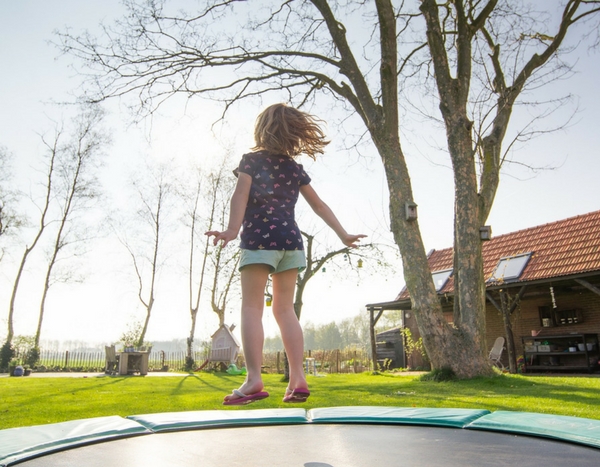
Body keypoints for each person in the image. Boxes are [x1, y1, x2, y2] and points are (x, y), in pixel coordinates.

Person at [206, 103, 366, 405]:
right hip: (291, 242)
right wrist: (343, 234)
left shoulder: (251, 161)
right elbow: (319, 205)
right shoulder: (295, 168)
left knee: (252, 308)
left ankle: (254, 379)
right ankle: (297, 378)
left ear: (262, 129)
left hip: (259, 241)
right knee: (285, 310)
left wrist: (230, 230)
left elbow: (240, 194)